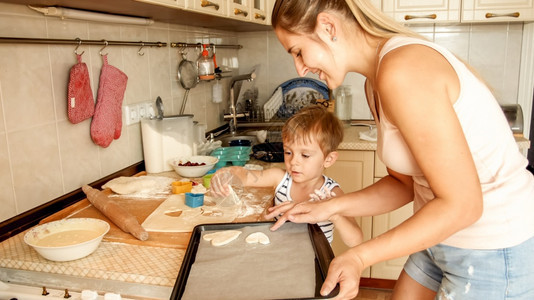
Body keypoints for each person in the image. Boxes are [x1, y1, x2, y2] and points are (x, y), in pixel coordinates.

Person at [265, 0, 534, 299]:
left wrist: (359, 256)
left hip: (491, 246)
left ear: (328, 27)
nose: (299, 67)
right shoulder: (375, 82)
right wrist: (327, 206)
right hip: (439, 237)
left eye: (298, 51)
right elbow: (403, 184)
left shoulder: (402, 70)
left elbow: (463, 205)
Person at [210, 105, 363, 247]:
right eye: (288, 152)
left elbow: (355, 240)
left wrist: (334, 213)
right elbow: (247, 176)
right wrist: (226, 173)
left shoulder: (332, 193)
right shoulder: (280, 178)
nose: (293, 161)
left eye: (305, 155)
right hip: (280, 254)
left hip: (315, 263)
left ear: (328, 159)